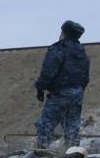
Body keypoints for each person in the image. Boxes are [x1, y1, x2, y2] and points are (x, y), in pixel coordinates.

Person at [34, 20, 89, 148]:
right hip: (77, 93)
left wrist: (40, 88)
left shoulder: (58, 49)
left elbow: (48, 72)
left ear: (64, 33)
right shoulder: (82, 52)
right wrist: (78, 90)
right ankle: (73, 156)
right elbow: (86, 78)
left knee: (45, 126)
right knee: (72, 128)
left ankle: (42, 156)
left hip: (60, 94)